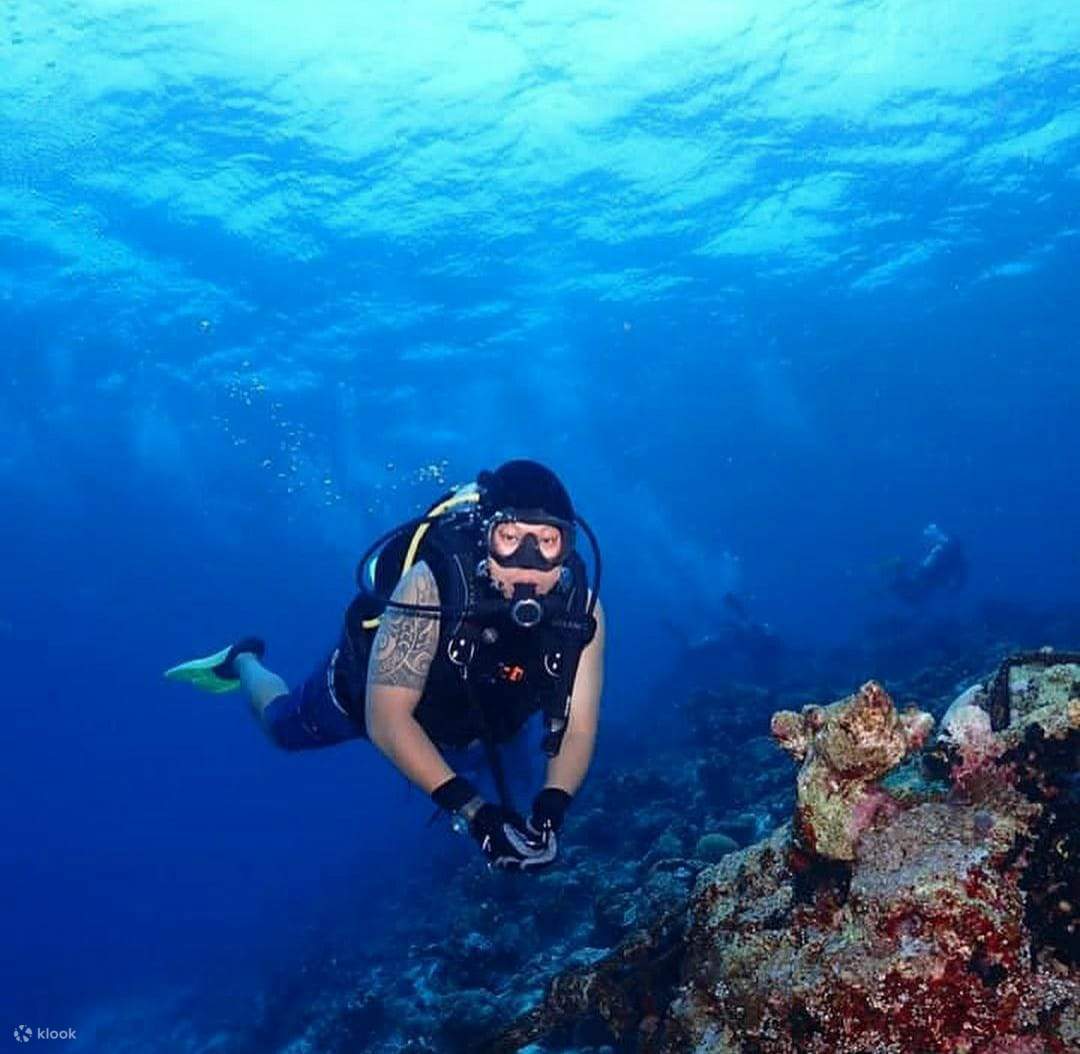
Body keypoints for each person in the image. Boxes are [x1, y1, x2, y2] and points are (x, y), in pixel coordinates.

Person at [165, 460, 605, 873]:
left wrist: (552, 808)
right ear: (483, 535)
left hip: (484, 720)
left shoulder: (579, 611)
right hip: (365, 697)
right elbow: (388, 720)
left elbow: (579, 724)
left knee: (518, 777)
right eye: (510, 538)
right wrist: (476, 815)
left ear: (567, 547)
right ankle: (242, 659)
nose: (528, 564)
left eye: (547, 542)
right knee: (281, 728)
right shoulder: (431, 585)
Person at [887, 523, 968, 606]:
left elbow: (924, 568)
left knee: (912, 591)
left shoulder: (940, 550)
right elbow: (926, 568)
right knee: (915, 591)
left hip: (928, 579)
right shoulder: (947, 551)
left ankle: (894, 578)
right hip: (933, 579)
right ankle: (896, 576)